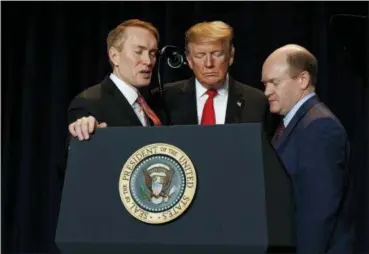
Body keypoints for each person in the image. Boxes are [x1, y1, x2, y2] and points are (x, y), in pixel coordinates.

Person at [262, 44, 354, 253]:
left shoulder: (319, 127)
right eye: (265, 84)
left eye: (274, 83)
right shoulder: (295, 124)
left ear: (302, 80)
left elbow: (317, 214)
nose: (267, 92)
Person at [154, 21, 276, 136]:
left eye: (217, 54)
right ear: (189, 60)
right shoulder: (165, 98)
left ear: (231, 56)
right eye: (200, 55)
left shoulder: (256, 102)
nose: (209, 64)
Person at [68, 19, 163, 141]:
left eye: (152, 53)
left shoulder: (154, 103)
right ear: (114, 56)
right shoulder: (89, 104)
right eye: (138, 52)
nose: (148, 61)